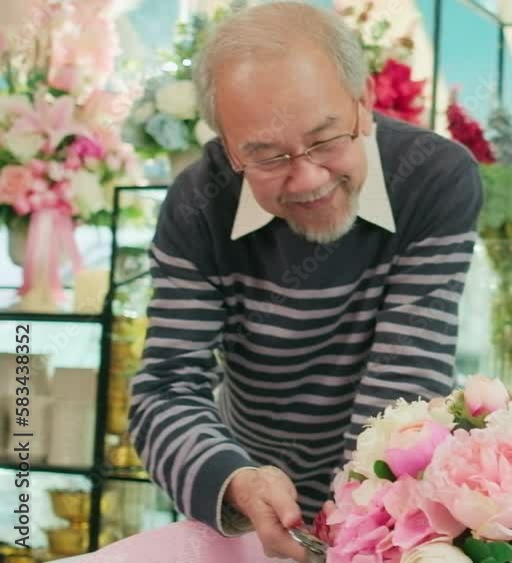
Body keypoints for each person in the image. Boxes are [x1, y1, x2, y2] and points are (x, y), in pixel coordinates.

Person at [127, 2, 482, 561]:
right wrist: (238, 481)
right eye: (267, 158)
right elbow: (166, 389)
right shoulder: (197, 204)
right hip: (246, 511)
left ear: (362, 103)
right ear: (225, 143)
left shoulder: (435, 180)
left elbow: (404, 379)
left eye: (325, 140)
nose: (309, 178)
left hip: (389, 512)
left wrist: (348, 533)